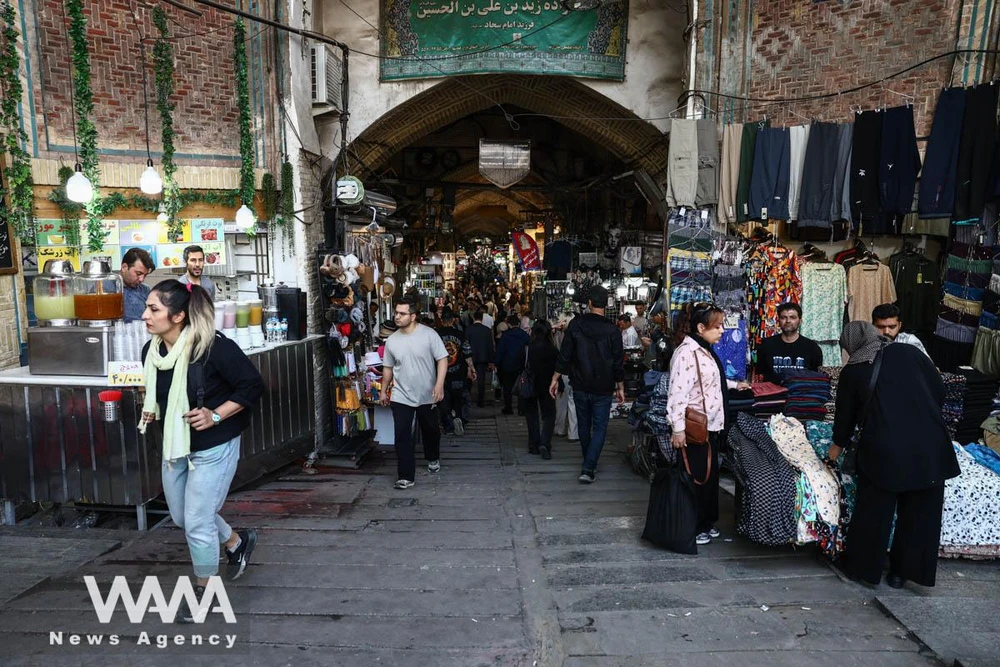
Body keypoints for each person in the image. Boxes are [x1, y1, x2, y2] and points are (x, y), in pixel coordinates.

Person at [139, 280, 263, 622]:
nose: (145, 315)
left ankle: (204, 591)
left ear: (178, 315)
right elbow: (161, 392)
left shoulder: (212, 347)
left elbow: (253, 385)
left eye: (154, 309)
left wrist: (216, 413)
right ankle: (237, 542)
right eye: (147, 308)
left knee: (195, 521)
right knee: (183, 517)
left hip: (214, 445)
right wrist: (152, 405)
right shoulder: (151, 352)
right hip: (176, 446)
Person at [829, 321, 960, 589]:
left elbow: (844, 423)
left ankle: (863, 570)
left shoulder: (854, 371)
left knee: (875, 512)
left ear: (853, 344)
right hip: (930, 445)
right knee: (920, 513)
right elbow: (940, 388)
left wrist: (833, 454)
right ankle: (904, 574)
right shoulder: (910, 353)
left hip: (885, 448)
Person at [666, 303, 752, 546]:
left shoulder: (705, 350)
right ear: (701, 327)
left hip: (710, 426)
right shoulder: (686, 353)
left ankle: (705, 522)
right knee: (696, 477)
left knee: (708, 476)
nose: (722, 331)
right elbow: (678, 393)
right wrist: (678, 429)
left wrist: (735, 386)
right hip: (694, 427)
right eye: (717, 326)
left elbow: (710, 379)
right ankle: (693, 525)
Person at [549, 286, 625, 484]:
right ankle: (589, 466)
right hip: (604, 386)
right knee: (599, 427)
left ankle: (588, 464)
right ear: (606, 304)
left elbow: (565, 354)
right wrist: (621, 386)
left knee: (584, 425)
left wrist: (555, 378)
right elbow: (618, 361)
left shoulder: (576, 324)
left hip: (580, 383)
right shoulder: (613, 329)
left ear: (589, 303)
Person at [380, 297, 449, 489]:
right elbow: (388, 368)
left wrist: (439, 385)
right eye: (396, 313)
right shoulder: (392, 341)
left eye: (402, 314)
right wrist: (384, 391)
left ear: (413, 316)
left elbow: (442, 359)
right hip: (401, 394)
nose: (397, 317)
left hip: (427, 394)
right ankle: (405, 476)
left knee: (431, 430)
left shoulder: (429, 334)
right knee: (402, 434)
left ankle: (433, 457)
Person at [755, 302, 823, 383]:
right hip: (773, 394)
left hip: (801, 393)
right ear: (778, 320)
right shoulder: (766, 345)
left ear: (800, 321)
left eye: (792, 317)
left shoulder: (812, 348)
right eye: (783, 317)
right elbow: (760, 374)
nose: (788, 321)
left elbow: (816, 378)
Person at [436, 307, 476, 435]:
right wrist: (472, 368)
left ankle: (448, 425)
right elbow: (467, 353)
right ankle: (459, 418)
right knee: (459, 399)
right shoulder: (460, 334)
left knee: (443, 401)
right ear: (453, 320)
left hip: (441, 375)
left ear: (442, 320)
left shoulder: (436, 335)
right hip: (458, 373)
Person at [523, 319, 560, 459]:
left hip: (530, 384)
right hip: (548, 385)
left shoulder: (528, 347)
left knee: (531, 415)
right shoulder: (552, 349)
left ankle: (534, 444)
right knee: (549, 414)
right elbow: (558, 367)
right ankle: (545, 442)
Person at [495, 314, 530, 415]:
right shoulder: (523, 334)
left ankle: (508, 408)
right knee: (521, 386)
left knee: (507, 387)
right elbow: (530, 344)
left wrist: (496, 362)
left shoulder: (505, 335)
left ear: (509, 324)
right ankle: (521, 409)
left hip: (507, 364)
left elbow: (500, 350)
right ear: (518, 324)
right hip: (520, 364)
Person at [552, 313, 578, 442]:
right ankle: (572, 433)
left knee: (561, 402)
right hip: (571, 371)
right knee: (572, 403)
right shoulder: (574, 335)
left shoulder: (558, 334)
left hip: (562, 371)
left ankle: (560, 428)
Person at [466, 310, 495, 407]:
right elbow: (490, 345)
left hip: (471, 357)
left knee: (469, 378)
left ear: (474, 318)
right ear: (482, 319)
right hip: (483, 357)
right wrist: (491, 360)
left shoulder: (468, 330)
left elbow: (465, 345)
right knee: (481, 380)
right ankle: (480, 400)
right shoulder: (486, 330)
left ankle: (467, 399)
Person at [121, 247, 155, 323]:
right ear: (124, 267)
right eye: (138, 273)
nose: (141, 279)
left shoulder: (145, 290)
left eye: (145, 275)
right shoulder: (105, 289)